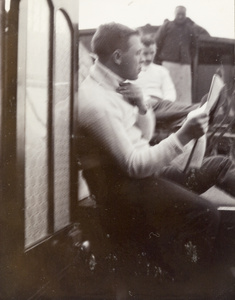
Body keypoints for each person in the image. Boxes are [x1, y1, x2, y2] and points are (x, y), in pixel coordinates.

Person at [78, 22, 235, 278]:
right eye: (138, 53)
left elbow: (146, 136)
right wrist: (183, 135)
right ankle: (191, 286)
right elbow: (134, 164)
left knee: (218, 164)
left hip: (143, 178)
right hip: (126, 189)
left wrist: (141, 105)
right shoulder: (95, 102)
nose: (144, 59)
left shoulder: (117, 86)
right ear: (117, 57)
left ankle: (211, 276)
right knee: (206, 214)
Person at [134, 36, 198, 132]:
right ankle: (202, 108)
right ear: (139, 52)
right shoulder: (132, 71)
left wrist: (166, 103)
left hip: (162, 105)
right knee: (185, 112)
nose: (149, 57)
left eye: (152, 53)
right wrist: (146, 101)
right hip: (143, 106)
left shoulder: (161, 71)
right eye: (145, 53)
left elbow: (170, 91)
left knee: (177, 109)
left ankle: (201, 108)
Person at [156, 6, 210, 104]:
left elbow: (194, 47)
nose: (180, 17)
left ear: (185, 15)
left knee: (184, 91)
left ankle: (183, 112)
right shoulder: (167, 26)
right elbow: (158, 42)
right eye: (178, 14)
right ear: (174, 14)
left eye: (183, 14)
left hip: (184, 66)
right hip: (168, 64)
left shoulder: (190, 29)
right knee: (168, 89)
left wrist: (188, 58)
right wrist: (160, 59)